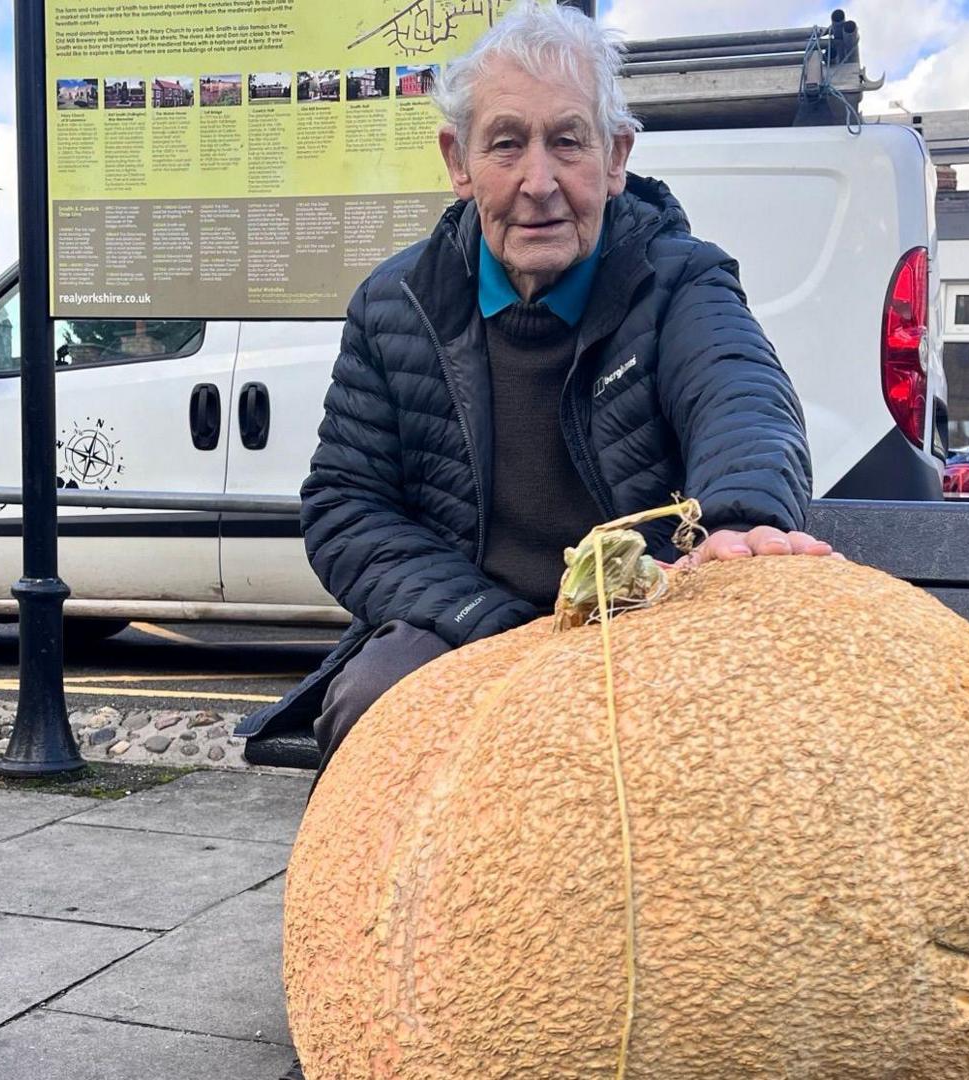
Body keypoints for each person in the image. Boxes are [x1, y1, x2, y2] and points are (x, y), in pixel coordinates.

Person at [236, 2, 829, 769]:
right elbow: (347, 504)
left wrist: (740, 520)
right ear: (459, 161)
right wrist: (493, 625)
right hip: (464, 620)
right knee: (378, 696)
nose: (538, 182)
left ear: (615, 157)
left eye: (568, 142)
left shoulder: (682, 281)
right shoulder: (395, 306)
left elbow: (740, 396)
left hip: (647, 621)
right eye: (507, 144)